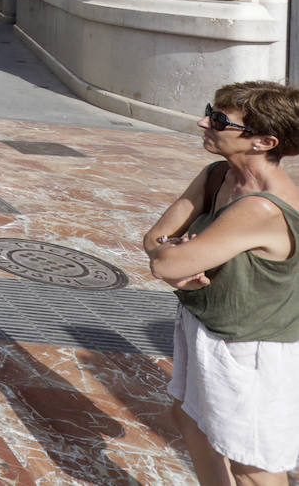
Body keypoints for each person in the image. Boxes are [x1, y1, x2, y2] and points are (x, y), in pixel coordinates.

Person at [143, 82, 299, 485]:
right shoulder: (217, 175)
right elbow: (153, 240)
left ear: (265, 141)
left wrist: (175, 258)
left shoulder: (263, 208)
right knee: (190, 421)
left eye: (218, 120)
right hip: (205, 324)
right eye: (211, 111)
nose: (203, 122)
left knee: (251, 464)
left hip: (251, 348)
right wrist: (175, 258)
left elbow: (163, 263)